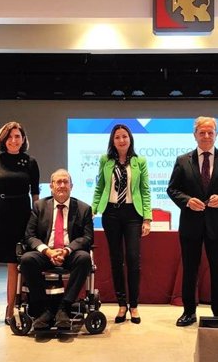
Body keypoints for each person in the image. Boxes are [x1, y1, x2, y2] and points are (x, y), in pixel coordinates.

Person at [167, 116, 218, 327]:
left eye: (210, 132)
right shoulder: (182, 160)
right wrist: (187, 201)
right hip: (190, 225)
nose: (206, 136)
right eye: (202, 132)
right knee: (189, 270)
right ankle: (188, 312)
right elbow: (172, 189)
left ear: (216, 135)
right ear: (195, 135)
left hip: (217, 225)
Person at [0, 122, 40, 326]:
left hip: (21, 214)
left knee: (14, 263)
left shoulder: (30, 162)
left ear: (23, 139)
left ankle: (10, 308)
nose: (14, 140)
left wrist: (36, 220)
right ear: (3, 139)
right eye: (10, 137)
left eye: (17, 136)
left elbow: (35, 194)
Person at [92, 124, 152, 324]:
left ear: (130, 139)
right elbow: (100, 186)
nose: (121, 140)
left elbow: (145, 190)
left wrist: (147, 218)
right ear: (112, 140)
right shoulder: (105, 160)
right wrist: (92, 209)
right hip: (111, 213)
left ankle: (134, 305)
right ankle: (121, 305)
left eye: (124, 136)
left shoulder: (139, 161)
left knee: (133, 259)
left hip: (133, 214)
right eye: (117, 137)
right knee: (116, 259)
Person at [20, 169, 94, 330]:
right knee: (26, 260)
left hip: (70, 253)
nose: (62, 185)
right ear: (51, 187)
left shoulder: (84, 209)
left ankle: (65, 307)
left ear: (71, 186)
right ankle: (43, 309)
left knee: (84, 258)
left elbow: (87, 238)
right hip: (46, 253)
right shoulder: (39, 206)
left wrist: (67, 250)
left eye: (65, 182)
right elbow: (30, 236)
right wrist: (47, 251)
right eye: (58, 182)